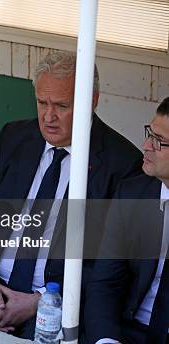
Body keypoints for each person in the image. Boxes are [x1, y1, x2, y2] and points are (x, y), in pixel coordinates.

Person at [0, 50, 143, 339]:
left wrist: (40, 301)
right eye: (41, 102)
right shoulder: (14, 137)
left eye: (61, 106)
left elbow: (111, 267)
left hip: (56, 302)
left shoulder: (123, 163)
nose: (48, 117)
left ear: (91, 101)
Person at [85, 97, 169, 344]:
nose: (146, 145)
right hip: (129, 331)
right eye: (149, 134)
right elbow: (105, 282)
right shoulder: (132, 194)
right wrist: (107, 340)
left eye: (159, 141)